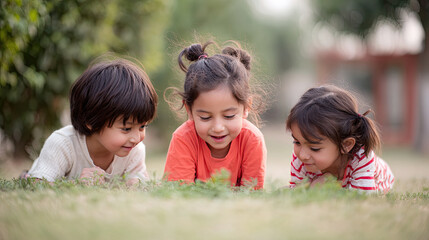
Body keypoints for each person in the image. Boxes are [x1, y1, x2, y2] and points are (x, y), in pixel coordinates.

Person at [25, 56, 158, 185]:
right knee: (28, 178)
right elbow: (38, 184)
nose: (136, 138)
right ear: (91, 121)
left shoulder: (134, 150)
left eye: (142, 127)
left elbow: (138, 182)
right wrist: (75, 184)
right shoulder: (63, 144)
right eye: (126, 129)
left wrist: (137, 183)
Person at [163, 41, 267, 189]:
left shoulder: (252, 140)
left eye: (229, 116)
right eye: (205, 117)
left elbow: (251, 195)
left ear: (246, 107)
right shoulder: (184, 138)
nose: (218, 128)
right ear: (189, 110)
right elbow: (179, 194)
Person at [286, 85, 394, 193]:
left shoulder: (361, 158)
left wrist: (326, 187)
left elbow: (362, 197)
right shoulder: (300, 159)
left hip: (382, 179)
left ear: (346, 145)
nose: (302, 155)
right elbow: (297, 191)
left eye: (314, 148)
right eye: (297, 142)